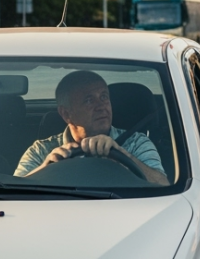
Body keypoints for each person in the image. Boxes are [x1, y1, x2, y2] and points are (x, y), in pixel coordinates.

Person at [16, 70, 169, 185]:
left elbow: (163, 184)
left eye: (104, 97)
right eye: (89, 100)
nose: (101, 106)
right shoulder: (41, 151)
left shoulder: (136, 143)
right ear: (66, 113)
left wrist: (121, 155)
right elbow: (14, 193)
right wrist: (47, 168)